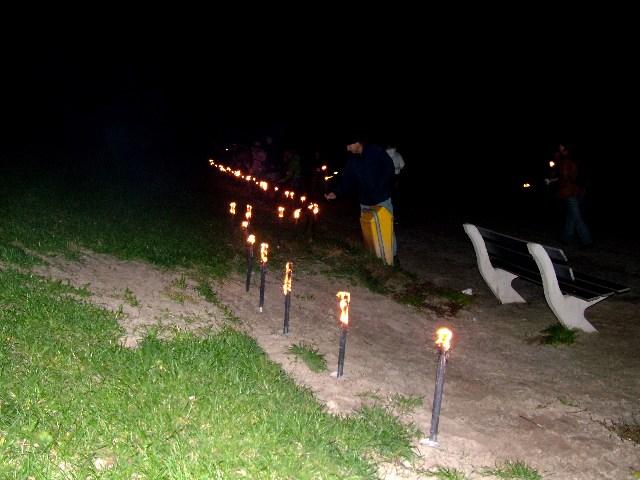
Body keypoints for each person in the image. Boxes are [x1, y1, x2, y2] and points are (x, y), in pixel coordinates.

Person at [325, 135, 398, 262]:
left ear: (358, 142)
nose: (348, 149)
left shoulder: (375, 151)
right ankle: (374, 259)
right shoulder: (352, 161)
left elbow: (389, 168)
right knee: (369, 231)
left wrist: (381, 187)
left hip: (381, 199)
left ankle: (393, 259)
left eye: (349, 145)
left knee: (386, 230)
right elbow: (347, 180)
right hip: (365, 201)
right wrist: (336, 193)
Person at [551, 143, 593, 247]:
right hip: (578, 191)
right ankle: (566, 238)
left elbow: (565, 177)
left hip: (570, 191)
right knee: (572, 215)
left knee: (576, 216)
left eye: (561, 148)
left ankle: (587, 241)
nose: (559, 149)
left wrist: (554, 179)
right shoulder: (576, 160)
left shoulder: (565, 161)